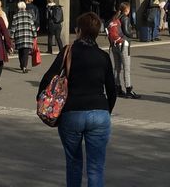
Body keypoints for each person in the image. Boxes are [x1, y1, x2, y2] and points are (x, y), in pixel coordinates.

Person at [38, 12, 116, 187]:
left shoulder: (68, 51)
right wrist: (105, 111)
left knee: (73, 163)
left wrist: (41, 99)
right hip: (99, 112)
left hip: (72, 112)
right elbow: (112, 89)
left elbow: (48, 78)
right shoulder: (103, 56)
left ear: (79, 31)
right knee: (96, 167)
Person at [107, 2, 139, 99]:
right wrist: (132, 33)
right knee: (126, 68)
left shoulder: (115, 18)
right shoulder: (125, 18)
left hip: (114, 45)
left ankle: (117, 88)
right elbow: (126, 31)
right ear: (127, 10)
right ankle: (128, 89)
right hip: (123, 45)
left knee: (117, 67)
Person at [11, 1, 37, 73]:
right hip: (28, 36)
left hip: (19, 36)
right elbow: (32, 26)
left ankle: (22, 65)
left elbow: (13, 27)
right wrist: (35, 35)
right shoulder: (29, 15)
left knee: (20, 51)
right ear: (25, 7)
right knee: (26, 52)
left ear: (18, 7)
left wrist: (12, 36)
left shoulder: (15, 16)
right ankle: (24, 66)